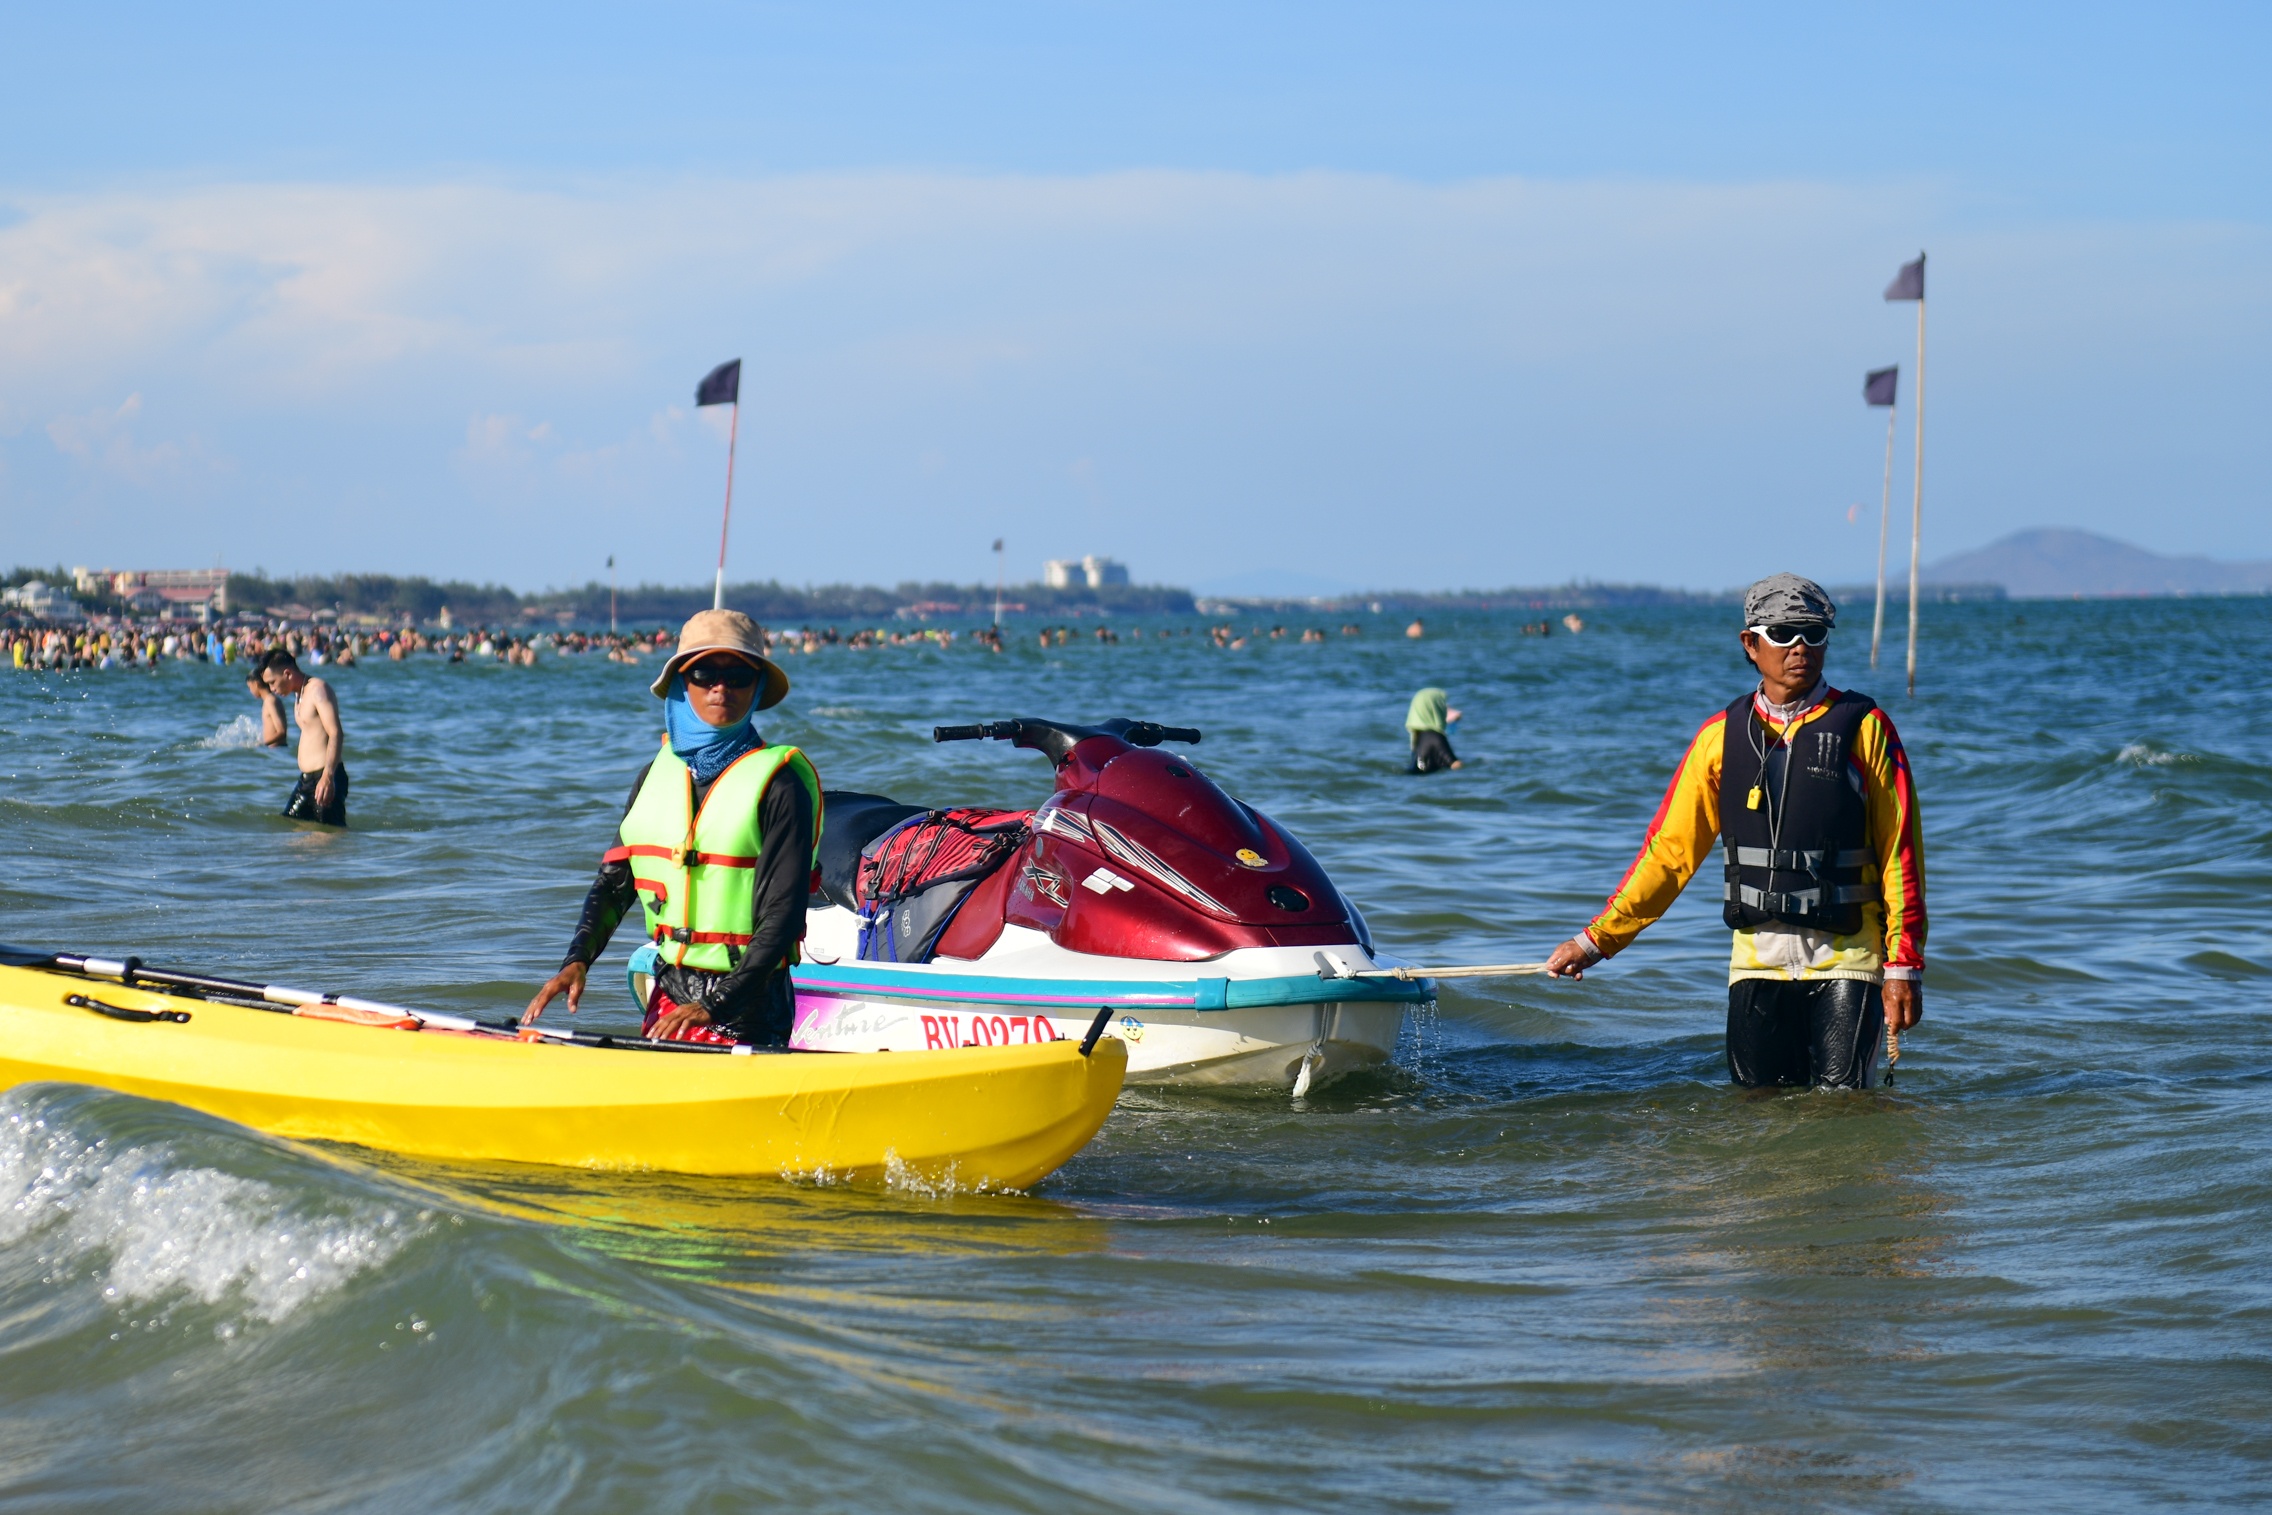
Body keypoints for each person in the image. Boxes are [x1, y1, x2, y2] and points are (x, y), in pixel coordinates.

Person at [1543, 574, 1925, 1088]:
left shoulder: (1866, 727)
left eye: (1815, 634)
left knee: (1844, 1114)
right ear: (1751, 643)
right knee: (1757, 1118)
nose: (1801, 648)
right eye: (1785, 633)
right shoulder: (1718, 739)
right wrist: (1596, 941)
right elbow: (1669, 855)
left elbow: (1902, 852)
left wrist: (1903, 967)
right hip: (1756, 969)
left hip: (1849, 964)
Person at [523, 609, 820, 1046]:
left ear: (756, 687)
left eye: (739, 675)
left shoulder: (781, 785)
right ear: (683, 683)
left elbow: (783, 915)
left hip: (748, 1002)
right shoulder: (654, 775)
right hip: (669, 991)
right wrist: (578, 960)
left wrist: (714, 1005)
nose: (722, 687)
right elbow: (614, 885)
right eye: (704, 673)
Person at [251, 649, 348, 827]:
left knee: (331, 835)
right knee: (291, 824)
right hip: (306, 780)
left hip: (325, 776)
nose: (271, 689)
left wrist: (328, 776)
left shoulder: (318, 689)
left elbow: (336, 733)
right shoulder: (300, 693)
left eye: (273, 683)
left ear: (287, 673)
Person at [1406, 687, 1463, 773]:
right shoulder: (1434, 736)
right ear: (1435, 708)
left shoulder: (1418, 737)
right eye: (1442, 704)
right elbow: (1455, 764)